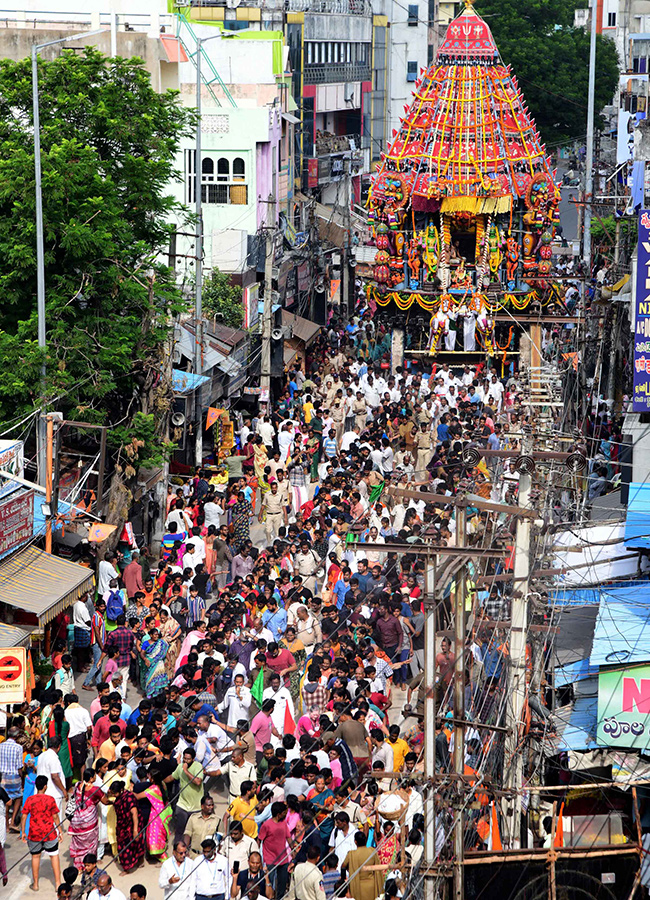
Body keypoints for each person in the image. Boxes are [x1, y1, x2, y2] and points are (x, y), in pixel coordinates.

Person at [21, 774, 63, 891]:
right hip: (49, 833)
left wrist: (23, 831)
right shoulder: (50, 799)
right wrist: (60, 830)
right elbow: (55, 816)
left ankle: (35, 884)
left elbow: (24, 816)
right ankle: (58, 884)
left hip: (34, 833)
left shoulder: (30, 800)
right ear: (45, 786)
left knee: (35, 856)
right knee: (54, 856)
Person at [68, 768, 108, 869]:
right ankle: (88, 865)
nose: (96, 777)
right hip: (89, 823)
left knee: (79, 845)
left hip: (76, 821)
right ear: (91, 778)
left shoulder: (77, 785)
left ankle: (78, 866)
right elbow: (105, 801)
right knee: (90, 845)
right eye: (94, 775)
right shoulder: (95, 790)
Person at [110, 780, 145, 872]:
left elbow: (134, 813)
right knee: (122, 845)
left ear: (121, 790)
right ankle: (127, 866)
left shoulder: (129, 797)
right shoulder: (118, 797)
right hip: (122, 825)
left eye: (115, 793)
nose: (113, 795)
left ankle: (137, 862)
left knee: (135, 842)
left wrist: (135, 830)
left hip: (132, 824)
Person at [341, 830, 384, 900]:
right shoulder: (372, 851)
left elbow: (343, 866)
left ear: (355, 842)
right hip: (371, 886)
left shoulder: (351, 854)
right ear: (365, 840)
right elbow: (378, 869)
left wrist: (344, 878)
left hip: (357, 886)